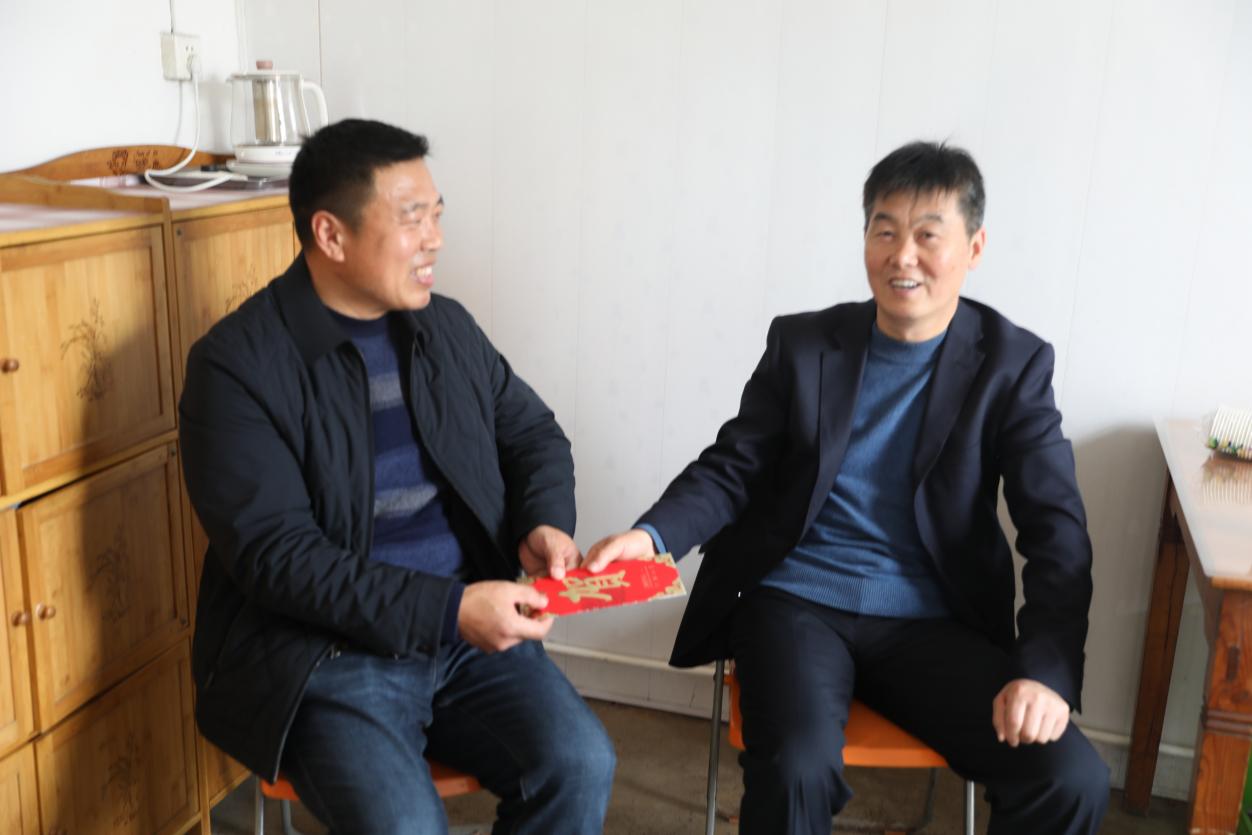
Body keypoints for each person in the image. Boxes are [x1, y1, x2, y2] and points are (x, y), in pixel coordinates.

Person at [586, 141, 1109, 834]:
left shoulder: (1012, 364)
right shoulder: (805, 344)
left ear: (974, 247)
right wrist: (651, 536)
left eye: (928, 235)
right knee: (796, 767)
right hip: (797, 602)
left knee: (1070, 778)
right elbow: (735, 465)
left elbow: (1057, 531)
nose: (902, 256)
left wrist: (1045, 670)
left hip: (932, 621)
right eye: (884, 231)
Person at [180, 118, 614, 835]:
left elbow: (531, 434)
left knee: (580, 764)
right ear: (330, 235)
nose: (434, 239)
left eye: (437, 215)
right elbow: (278, 558)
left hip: (467, 639)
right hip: (327, 654)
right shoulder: (236, 366)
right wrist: (449, 609)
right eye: (412, 220)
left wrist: (543, 521)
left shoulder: (446, 328)